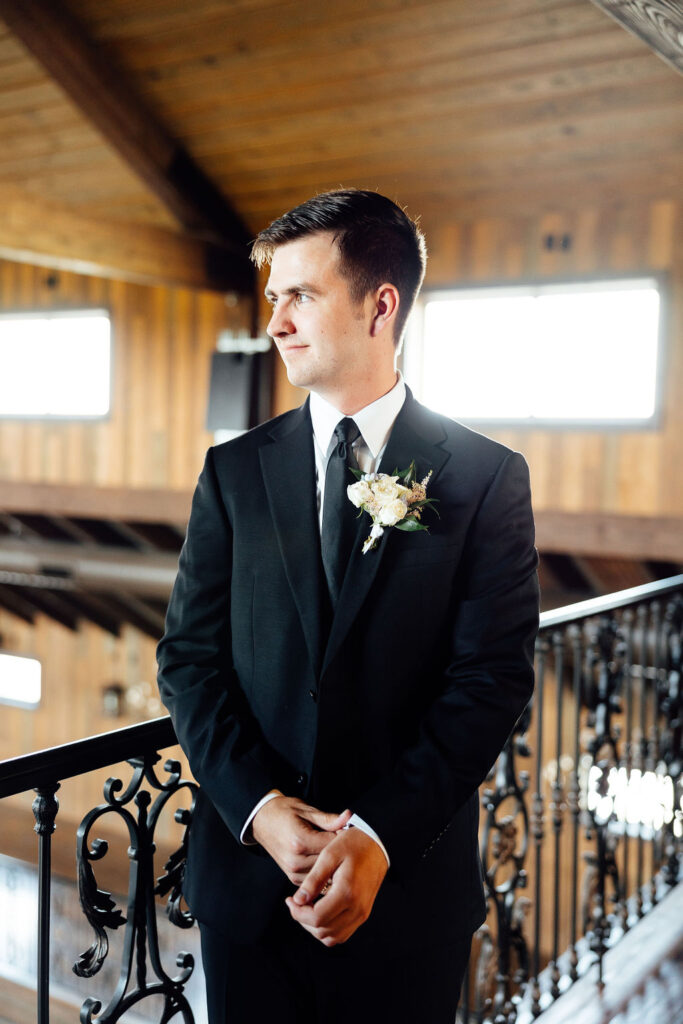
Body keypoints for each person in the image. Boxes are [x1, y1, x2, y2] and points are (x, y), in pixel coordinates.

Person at [156, 189, 539, 1023]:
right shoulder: (233, 474)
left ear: (381, 304)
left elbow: (491, 679)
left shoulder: (483, 479)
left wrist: (376, 838)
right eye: (273, 300)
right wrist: (258, 811)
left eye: (299, 295)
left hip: (406, 899)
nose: (276, 324)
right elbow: (188, 661)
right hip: (251, 896)